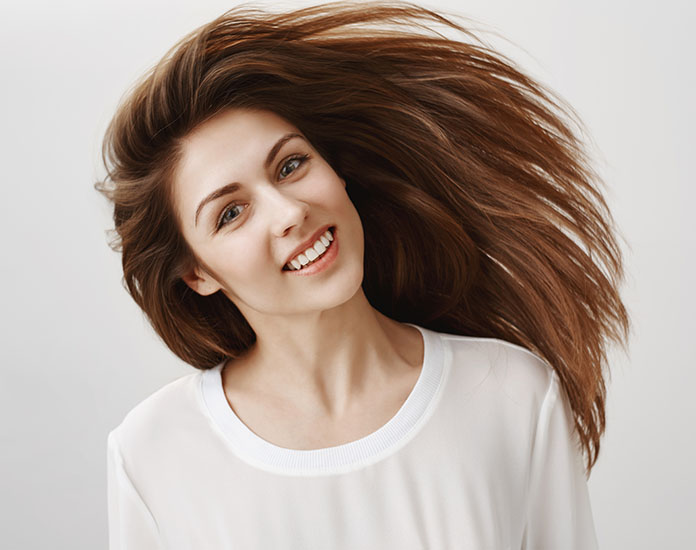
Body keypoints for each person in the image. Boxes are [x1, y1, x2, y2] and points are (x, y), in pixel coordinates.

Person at [96, 1, 630, 548]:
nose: (289, 212)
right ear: (197, 273)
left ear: (336, 171)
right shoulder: (153, 452)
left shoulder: (512, 395)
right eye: (231, 213)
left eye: (291, 165)